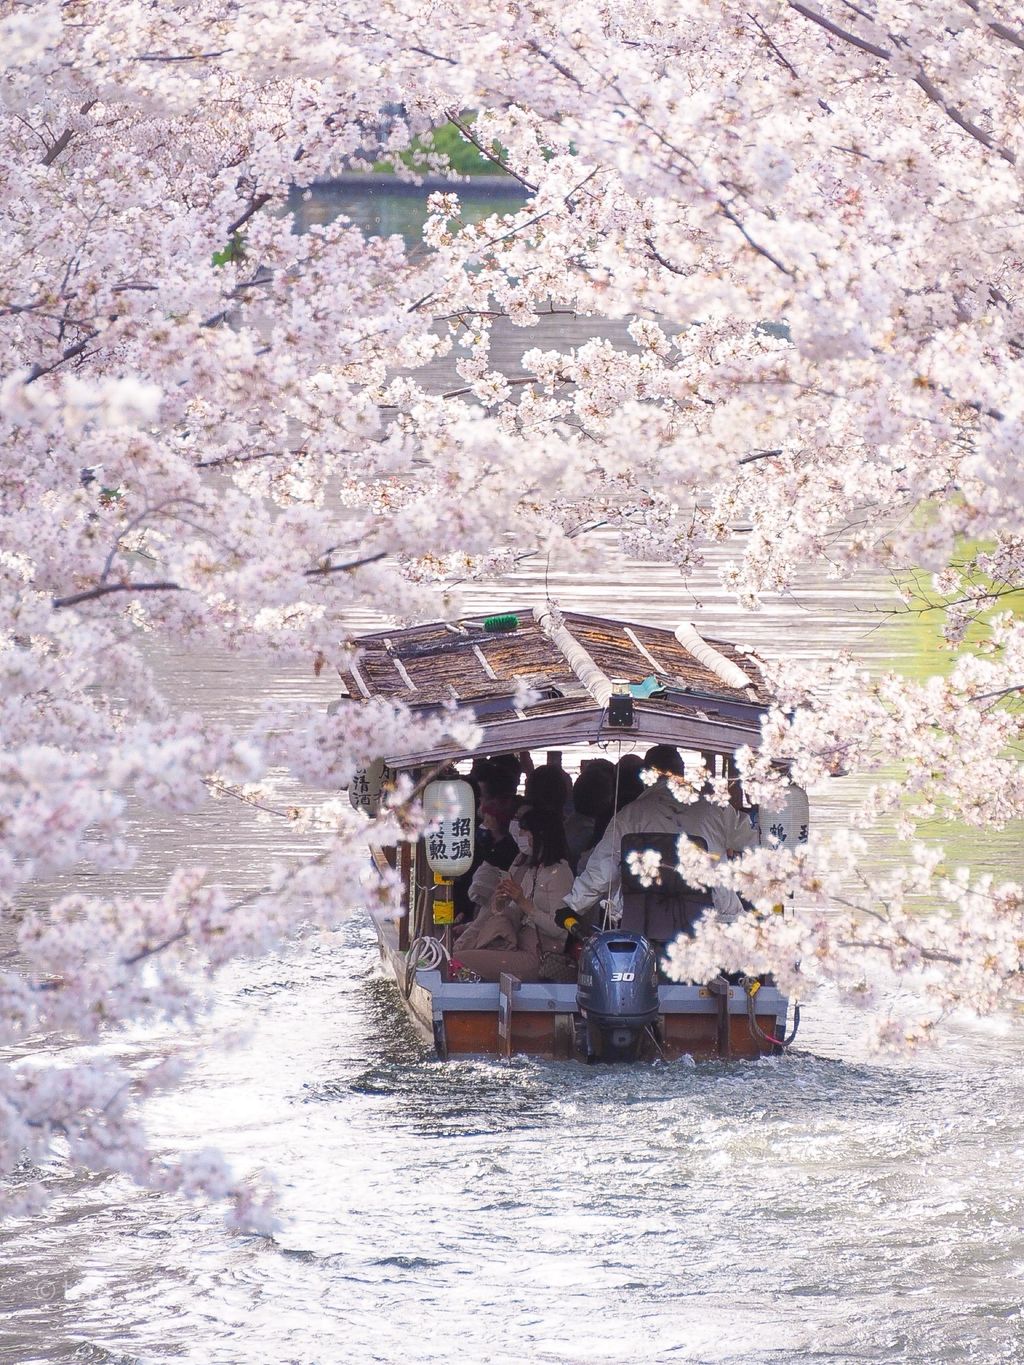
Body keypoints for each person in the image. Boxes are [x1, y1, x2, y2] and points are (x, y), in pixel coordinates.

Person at [560, 744, 758, 927]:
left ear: (645, 775)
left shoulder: (629, 815)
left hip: (643, 921)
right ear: (682, 772)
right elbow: (755, 843)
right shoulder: (717, 810)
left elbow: (603, 869)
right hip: (713, 919)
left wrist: (574, 905)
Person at [452, 805, 574, 982]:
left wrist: (523, 902)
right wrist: (500, 903)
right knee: (460, 951)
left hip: (540, 955)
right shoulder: (534, 869)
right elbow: (513, 913)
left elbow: (560, 930)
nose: (522, 836)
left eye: (525, 831)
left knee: (459, 961)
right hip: (517, 941)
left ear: (539, 835)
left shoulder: (559, 873)